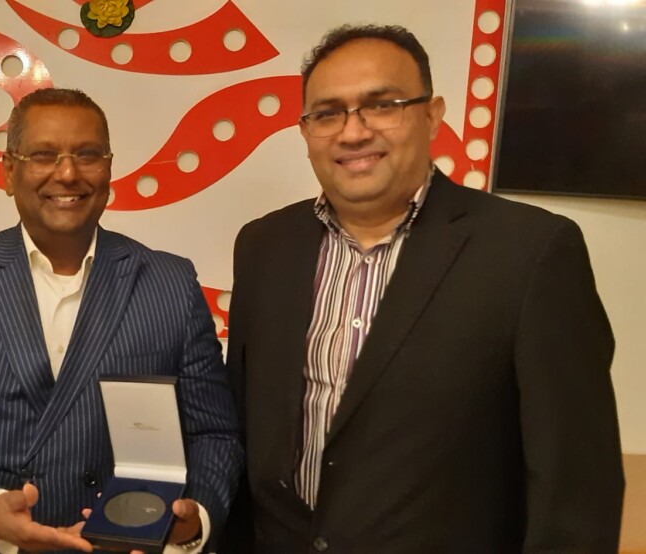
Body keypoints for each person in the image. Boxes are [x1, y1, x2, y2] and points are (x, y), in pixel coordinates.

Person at [220, 24, 623, 552]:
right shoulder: (264, 246)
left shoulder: (530, 253)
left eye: (381, 105)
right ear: (305, 131)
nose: (353, 132)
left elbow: (576, 491)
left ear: (432, 115)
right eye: (327, 113)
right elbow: (245, 435)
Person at [0, 88, 243, 553]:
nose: (67, 173)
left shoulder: (170, 283)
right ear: (9, 172)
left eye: (88, 155)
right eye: (43, 155)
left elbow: (214, 434)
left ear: (108, 169)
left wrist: (195, 517)